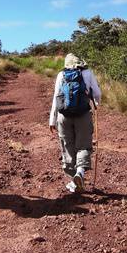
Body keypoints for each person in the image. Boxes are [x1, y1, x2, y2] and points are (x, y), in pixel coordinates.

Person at [49, 53, 101, 193]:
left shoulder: (61, 75)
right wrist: (96, 103)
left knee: (68, 146)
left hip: (63, 116)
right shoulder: (88, 73)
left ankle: (74, 181)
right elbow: (97, 93)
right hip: (83, 114)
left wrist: (52, 120)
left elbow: (56, 97)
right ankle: (80, 174)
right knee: (83, 145)